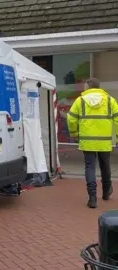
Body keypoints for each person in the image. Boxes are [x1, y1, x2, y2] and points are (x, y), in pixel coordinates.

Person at [67, 78, 118, 208]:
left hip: (87, 141)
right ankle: (106, 192)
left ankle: (92, 198)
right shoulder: (110, 100)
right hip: (104, 142)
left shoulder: (80, 101)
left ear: (87, 87)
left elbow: (71, 118)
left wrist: (74, 133)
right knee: (105, 165)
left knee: (90, 167)